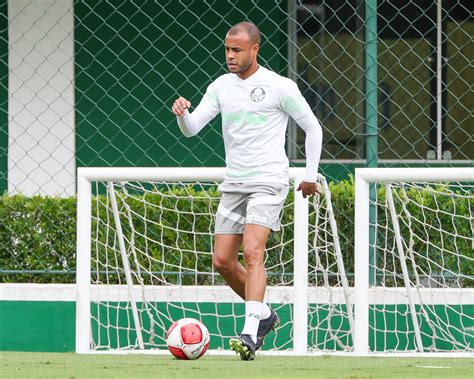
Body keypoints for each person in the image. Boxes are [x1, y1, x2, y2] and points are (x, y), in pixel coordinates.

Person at [171, 21, 323, 360]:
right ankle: (265, 315)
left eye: (237, 50)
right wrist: (183, 114)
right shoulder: (222, 86)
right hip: (235, 183)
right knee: (223, 260)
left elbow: (312, 128)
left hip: (269, 180)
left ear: (255, 49)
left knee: (253, 252)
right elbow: (192, 129)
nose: (230, 55)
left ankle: (250, 333)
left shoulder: (279, 85)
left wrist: (310, 175)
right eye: (227, 49)